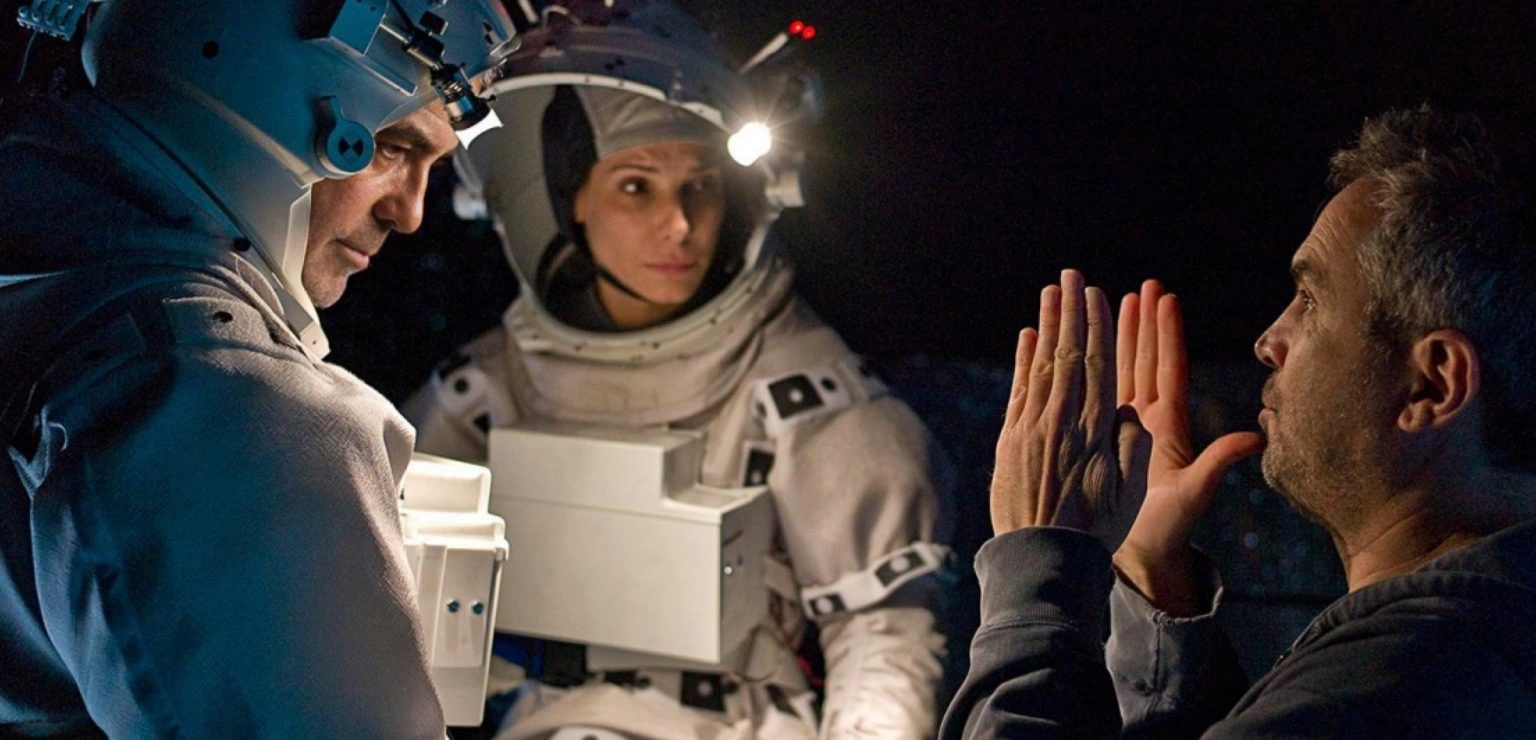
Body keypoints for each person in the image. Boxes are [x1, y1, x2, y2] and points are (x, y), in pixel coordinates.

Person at [403, 2, 953, 736]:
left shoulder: (807, 394)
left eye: (702, 185)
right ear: (572, 202)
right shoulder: (490, 388)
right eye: (637, 186)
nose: (681, 225)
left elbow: (883, 638)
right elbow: (391, 590)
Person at [0, 1, 517, 735]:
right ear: (252, 92)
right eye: (392, 147)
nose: (410, 213)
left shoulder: (50, 282)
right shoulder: (224, 407)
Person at [941, 106, 1536, 737]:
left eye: (1310, 299)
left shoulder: (1388, 688)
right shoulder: (1474, 651)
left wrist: (1038, 582)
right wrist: (1153, 569)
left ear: (1432, 384)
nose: (1268, 340)